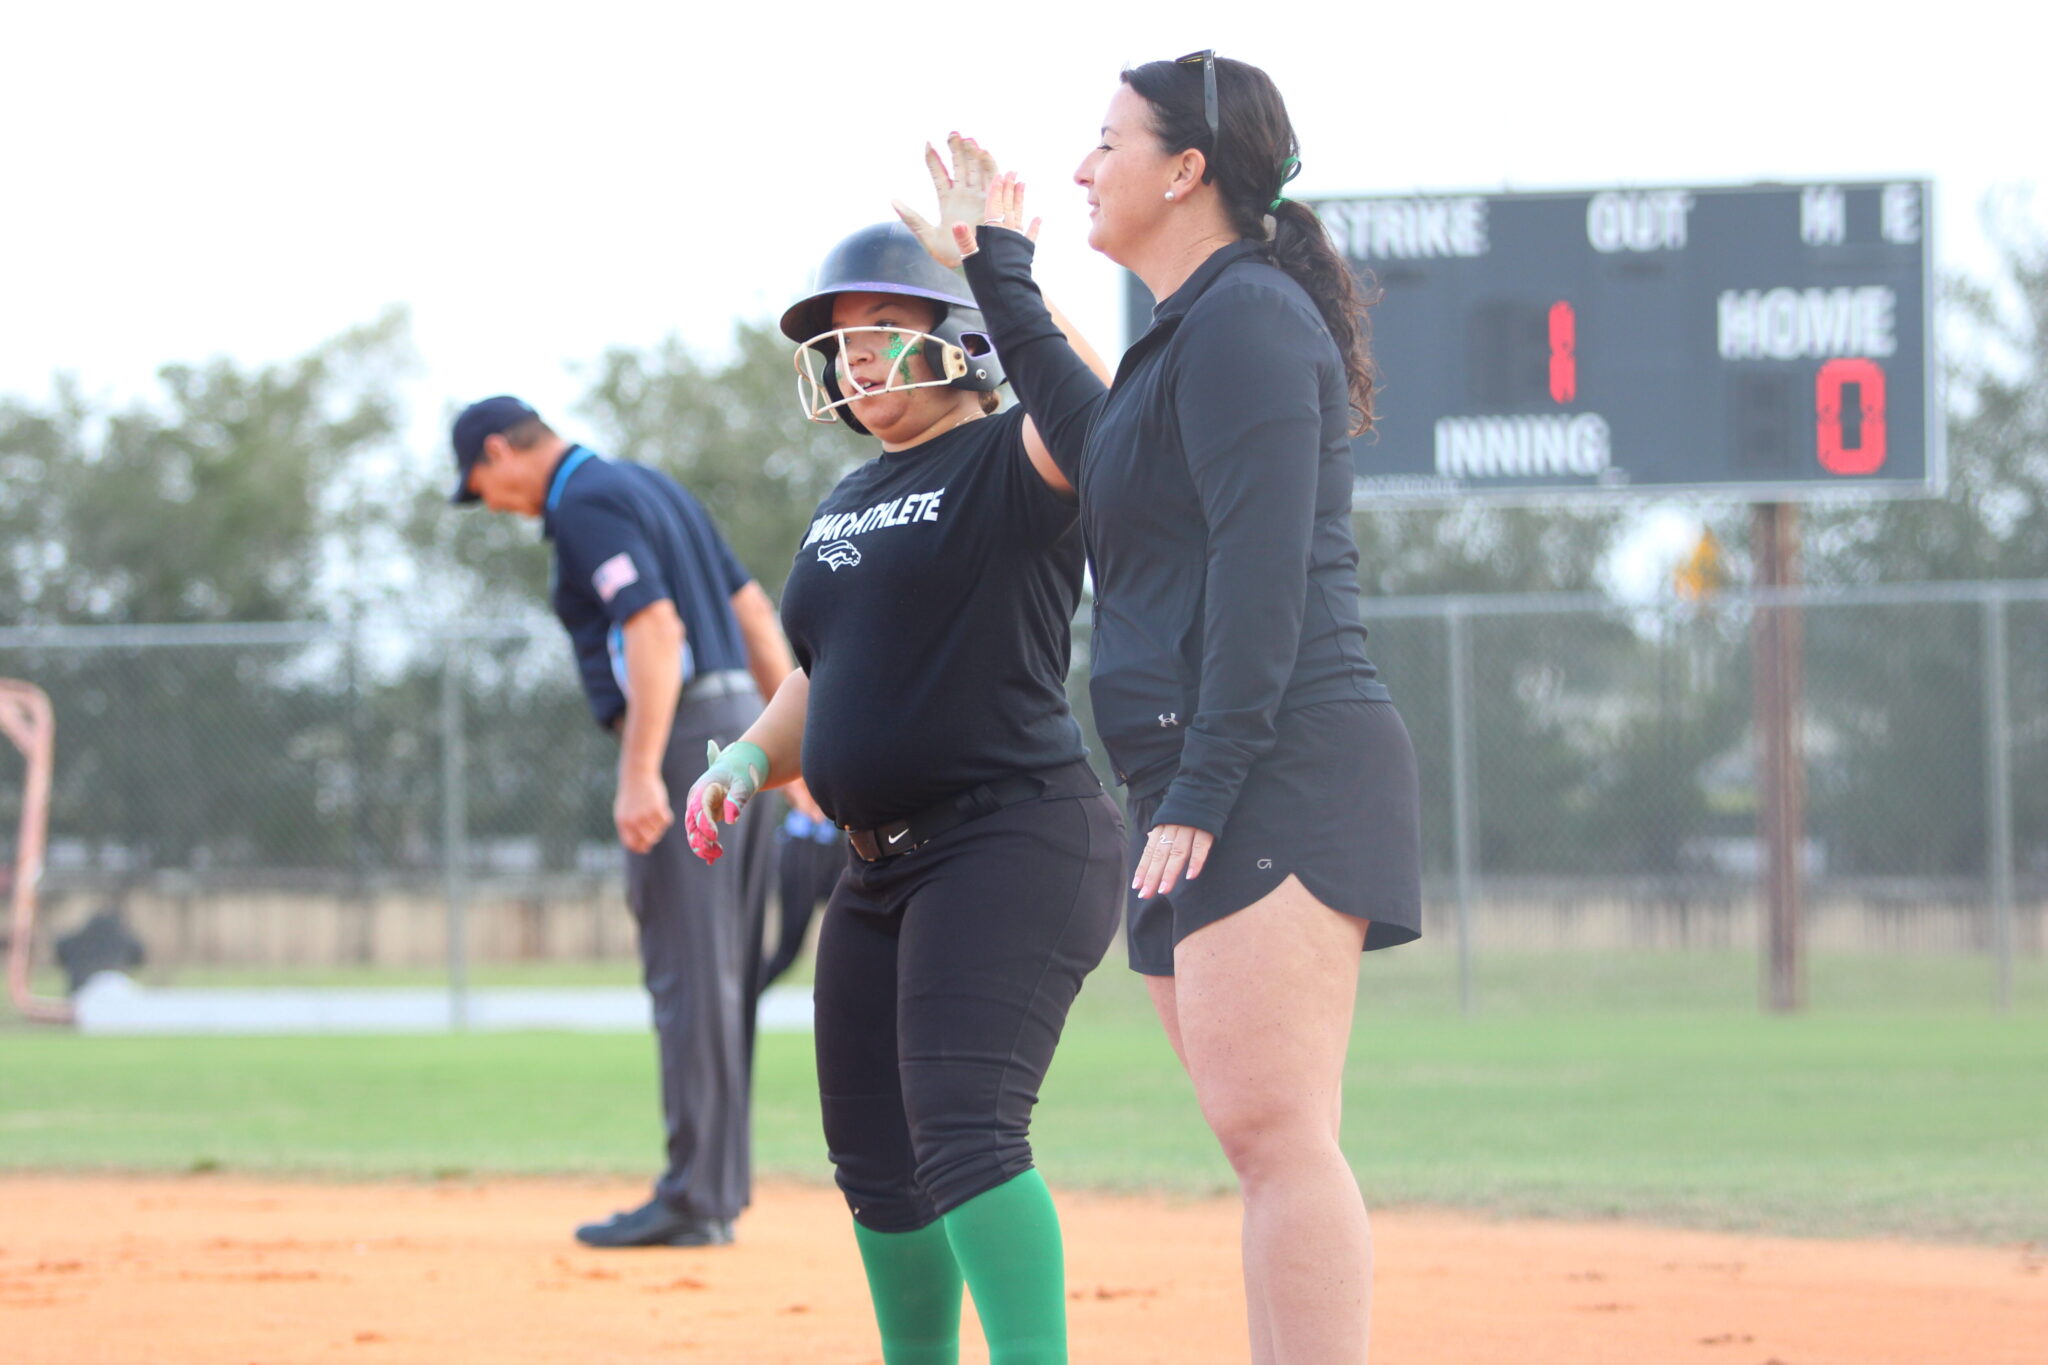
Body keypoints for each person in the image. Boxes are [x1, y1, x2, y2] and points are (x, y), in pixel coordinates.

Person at [915, 53, 1425, 1365]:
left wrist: (1200, 790)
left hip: (1275, 763)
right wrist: (996, 267)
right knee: (1258, 1140)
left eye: (1107, 143)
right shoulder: (1184, 334)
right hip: (1200, 774)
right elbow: (1092, 441)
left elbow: (1266, 591)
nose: (1084, 168)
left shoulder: (1250, 320)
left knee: (1278, 1134)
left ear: (1187, 169)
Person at [683, 220, 1123, 1365]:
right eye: (840, 338)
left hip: (1010, 838)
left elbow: (1110, 415)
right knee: (874, 1160)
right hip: (874, 867)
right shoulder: (843, 501)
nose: (856, 356)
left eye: (881, 327)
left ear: (965, 338)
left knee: (968, 1134)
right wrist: (740, 760)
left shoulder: (1014, 455)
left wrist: (999, 270)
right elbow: (827, 682)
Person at [449, 395, 800, 1249]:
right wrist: (792, 748)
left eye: (480, 484)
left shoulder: (585, 504)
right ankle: (712, 1190)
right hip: (744, 729)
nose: (492, 502)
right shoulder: (653, 487)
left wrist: (640, 769)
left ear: (499, 450)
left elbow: (653, 626)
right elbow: (756, 615)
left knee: (689, 972)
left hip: (684, 741)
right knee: (720, 973)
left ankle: (694, 1195)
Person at [757, 799, 842, 994]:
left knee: (861, 938)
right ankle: (744, 1000)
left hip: (838, 846)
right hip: (803, 845)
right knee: (788, 952)